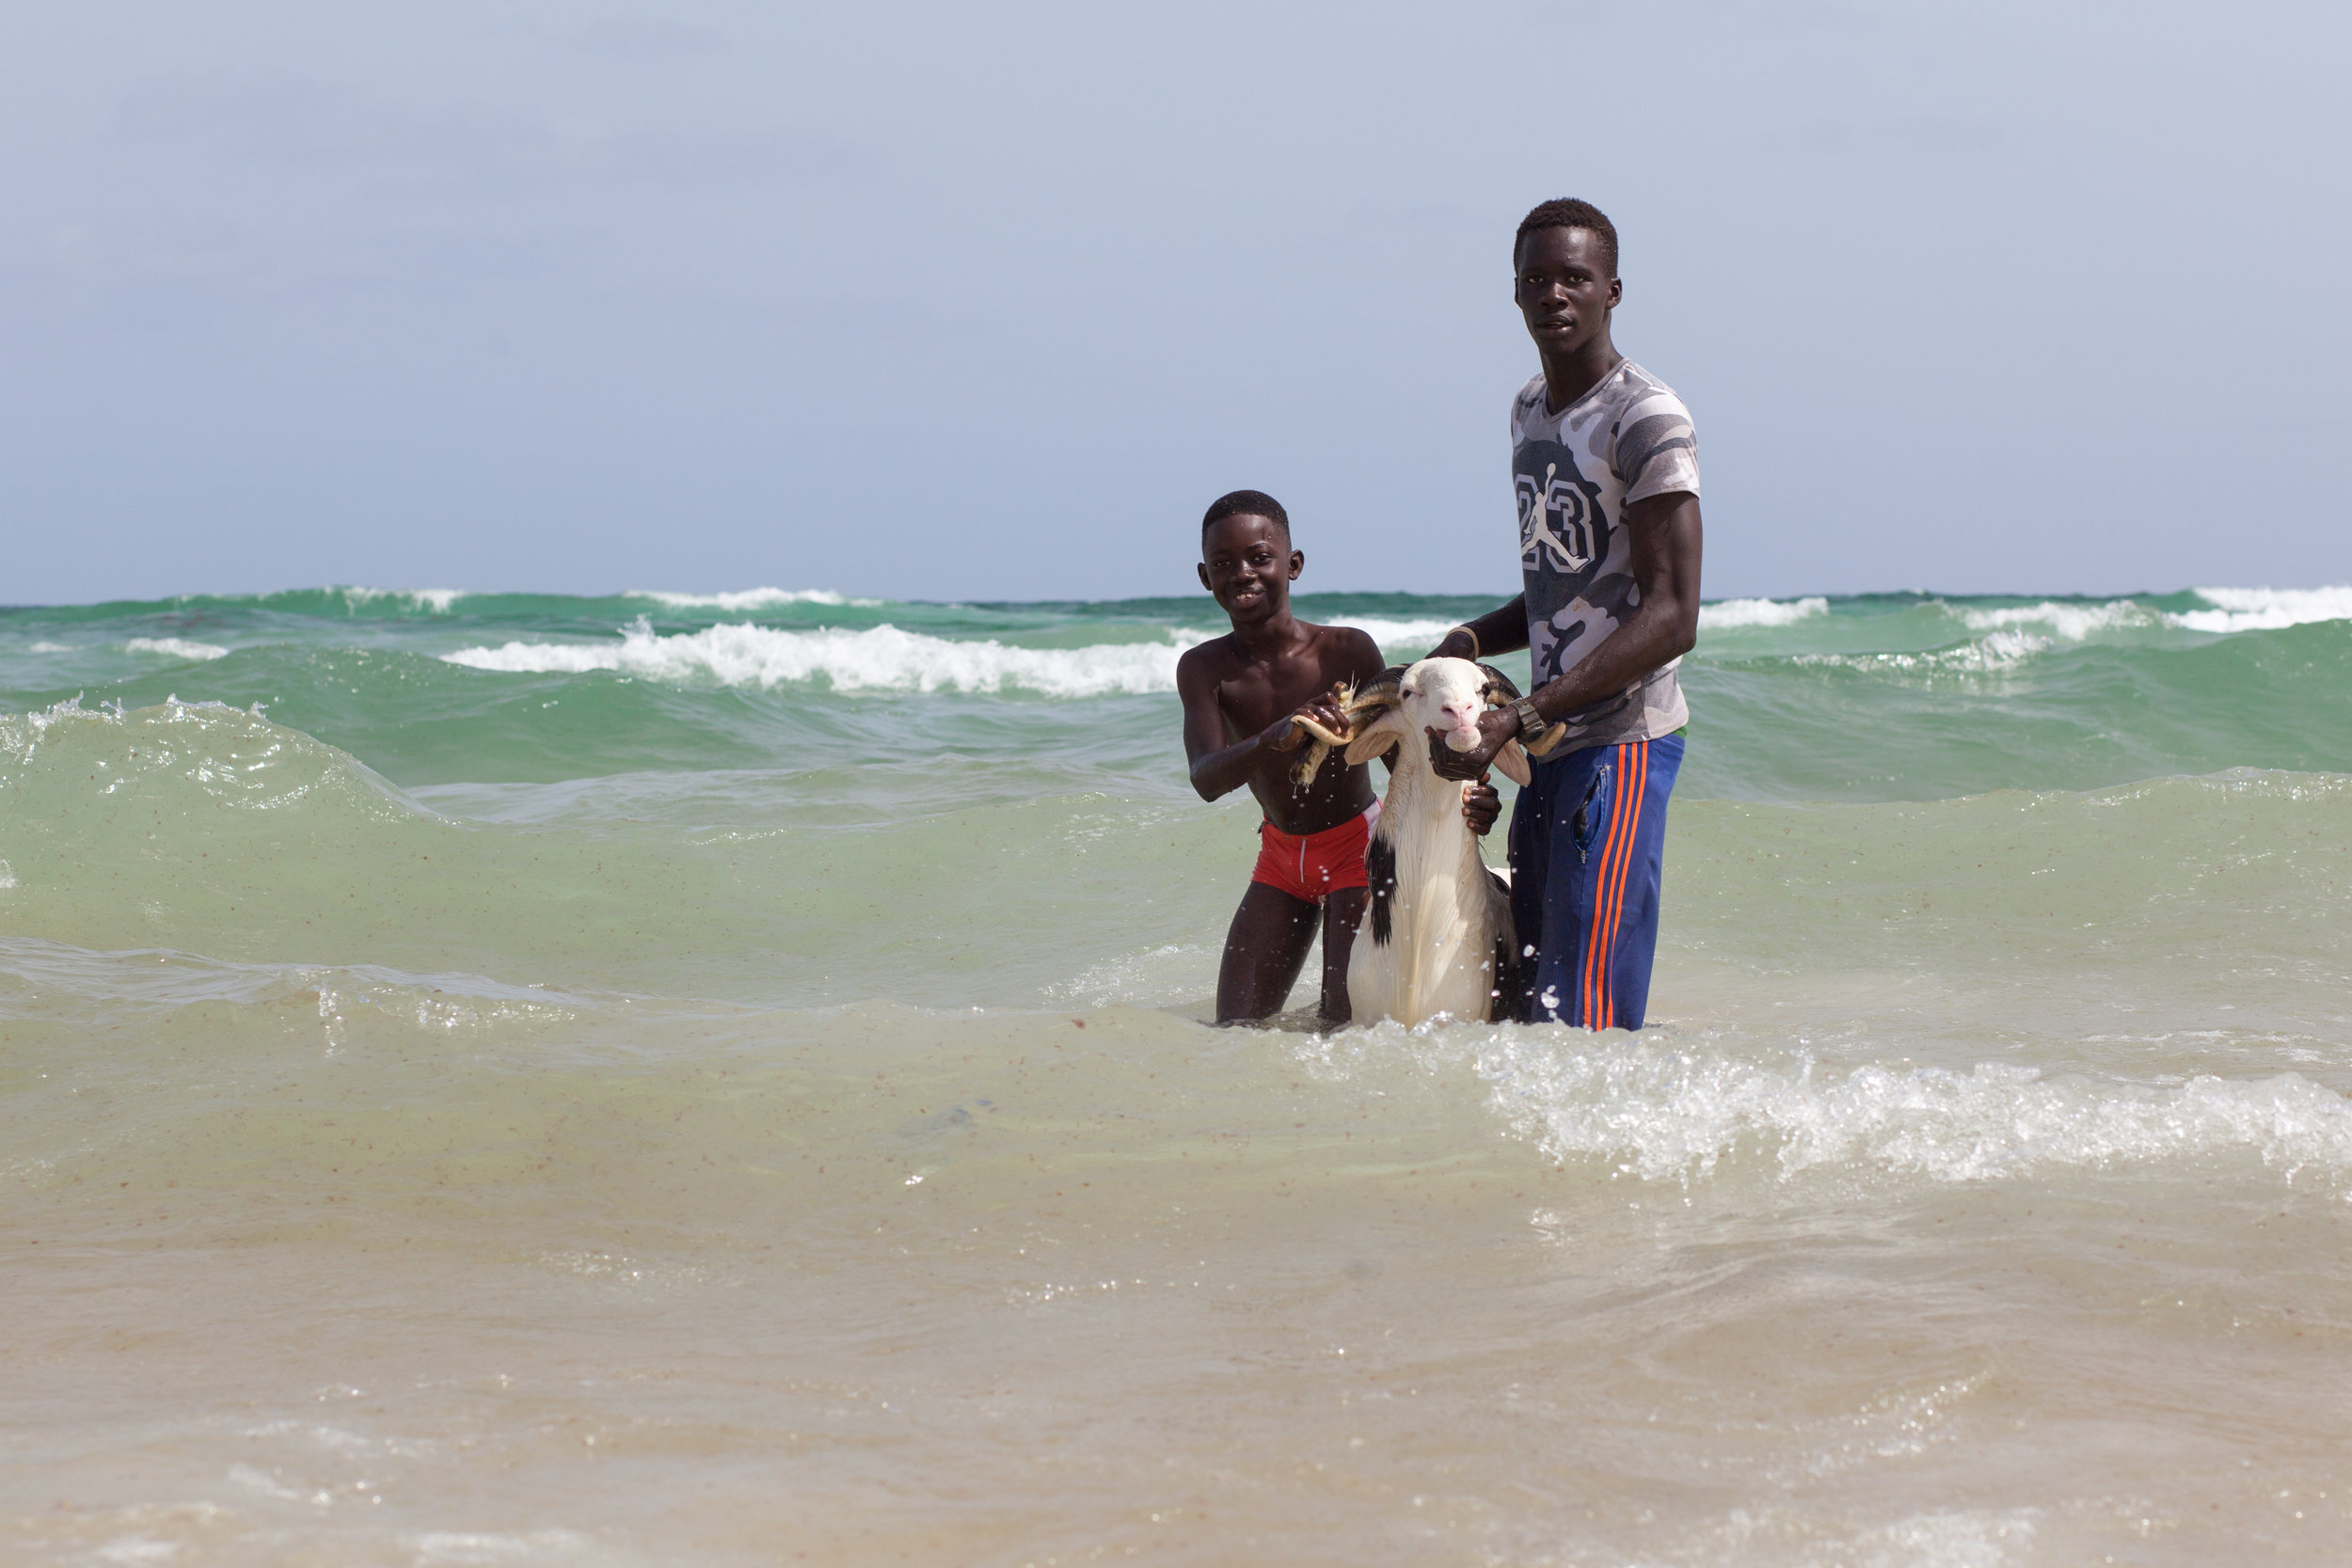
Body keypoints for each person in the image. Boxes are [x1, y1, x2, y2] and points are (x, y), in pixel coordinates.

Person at [1425, 198, 1704, 1031]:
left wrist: (1523, 712)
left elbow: (1672, 613)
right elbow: (1564, 588)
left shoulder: (1646, 418)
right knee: (1531, 987)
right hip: (1546, 740)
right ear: (1514, 294)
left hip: (1618, 743)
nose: (1554, 293)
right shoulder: (1528, 412)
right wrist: (1471, 641)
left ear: (1612, 290)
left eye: (1574, 277)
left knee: (1578, 1013)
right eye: (1536, 278)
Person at [1178, 489, 1500, 1024]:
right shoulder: (1203, 668)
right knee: (1233, 1031)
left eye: (1260, 557)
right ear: (1204, 577)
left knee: (1342, 1027)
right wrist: (1270, 738)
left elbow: (1408, 765)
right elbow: (1205, 778)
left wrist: (1471, 803)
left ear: (1293, 565)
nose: (1243, 573)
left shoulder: (1346, 652)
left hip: (1361, 852)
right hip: (1279, 858)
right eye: (1223, 563)